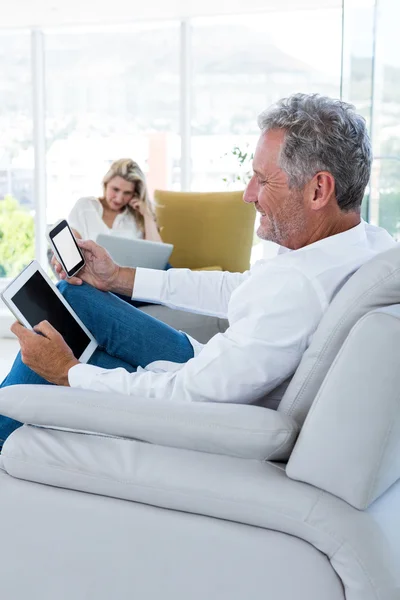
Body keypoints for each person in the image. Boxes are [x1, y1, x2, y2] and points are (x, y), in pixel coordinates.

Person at [0, 93, 395, 447]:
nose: (248, 195)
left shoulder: (299, 289)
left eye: (263, 180)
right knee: (78, 294)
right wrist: (119, 276)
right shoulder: (362, 244)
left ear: (318, 190)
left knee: (49, 348)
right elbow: (239, 289)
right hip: (208, 366)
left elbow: (184, 396)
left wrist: (69, 373)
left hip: (194, 398)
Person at [68, 158, 162, 243]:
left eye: (127, 193)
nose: (119, 199)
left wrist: (147, 214)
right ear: (106, 184)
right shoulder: (85, 207)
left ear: (135, 193)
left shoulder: (136, 217)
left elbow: (157, 257)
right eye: (115, 189)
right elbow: (70, 248)